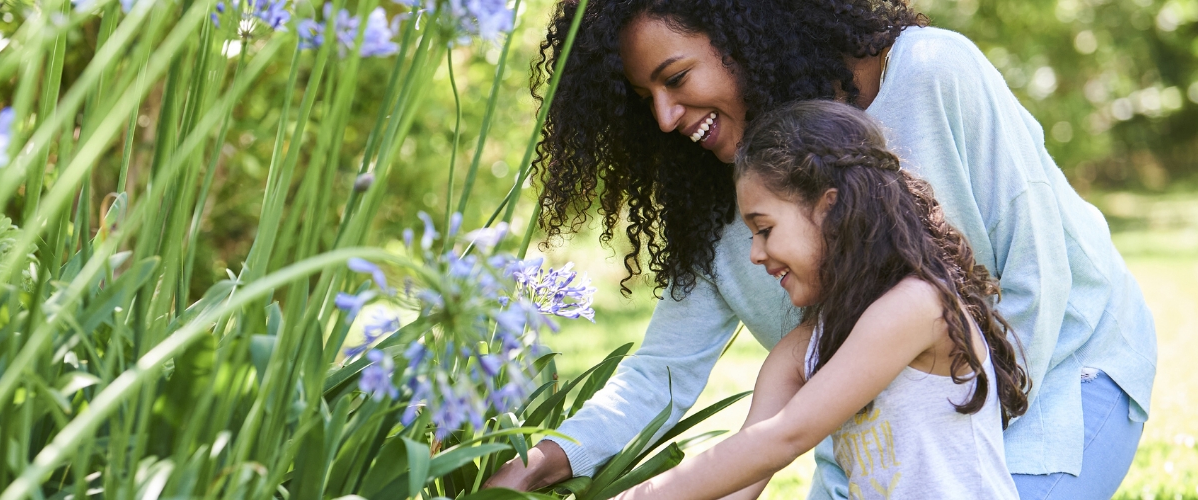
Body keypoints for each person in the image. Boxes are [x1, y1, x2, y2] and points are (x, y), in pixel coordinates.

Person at [484, 1, 1156, 498]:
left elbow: (1042, 271)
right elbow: (661, 376)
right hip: (881, 444)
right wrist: (545, 458)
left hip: (1063, 374)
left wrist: (976, 449)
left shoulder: (929, 74)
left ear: (741, 30)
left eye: (677, 78)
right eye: (644, 98)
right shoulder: (730, 205)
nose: (663, 116)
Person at [612, 99, 1029, 499]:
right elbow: (745, 470)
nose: (755, 254)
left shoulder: (918, 307)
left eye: (765, 229)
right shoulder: (803, 349)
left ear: (829, 209)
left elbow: (784, 437)